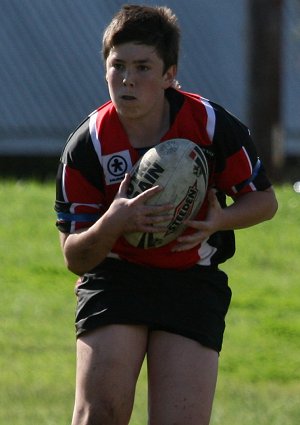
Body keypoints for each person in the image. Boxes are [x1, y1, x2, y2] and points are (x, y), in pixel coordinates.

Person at [55, 4, 278, 425]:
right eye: (117, 65)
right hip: (116, 278)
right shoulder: (88, 146)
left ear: (169, 74)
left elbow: (265, 202)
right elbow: (76, 258)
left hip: (191, 281)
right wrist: (113, 222)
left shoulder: (210, 125)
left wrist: (218, 220)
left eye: (142, 67)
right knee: (98, 415)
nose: (127, 79)